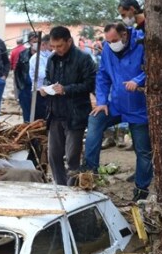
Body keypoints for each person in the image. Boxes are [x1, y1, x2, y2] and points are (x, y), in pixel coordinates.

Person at [85, 23, 153, 201]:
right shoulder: (108, 49)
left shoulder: (141, 43)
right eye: (108, 41)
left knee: (143, 150)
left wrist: (138, 80)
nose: (111, 44)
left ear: (124, 35)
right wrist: (101, 102)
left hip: (139, 107)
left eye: (114, 40)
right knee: (94, 120)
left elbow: (153, 68)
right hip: (115, 104)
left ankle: (141, 189)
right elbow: (103, 76)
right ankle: (89, 173)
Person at [40, 26, 96, 186]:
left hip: (75, 114)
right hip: (55, 113)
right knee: (54, 155)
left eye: (60, 46)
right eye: (53, 46)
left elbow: (90, 84)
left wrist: (66, 90)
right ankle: (60, 185)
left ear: (69, 41)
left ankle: (72, 187)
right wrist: (45, 88)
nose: (56, 49)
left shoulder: (83, 59)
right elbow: (47, 79)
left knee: (72, 156)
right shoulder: (52, 59)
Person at [14, 33, 38, 122]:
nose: (35, 43)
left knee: (38, 115)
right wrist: (21, 88)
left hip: (39, 90)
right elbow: (17, 72)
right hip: (26, 89)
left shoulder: (43, 55)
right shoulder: (23, 54)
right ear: (29, 42)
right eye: (33, 41)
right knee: (27, 115)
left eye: (37, 41)